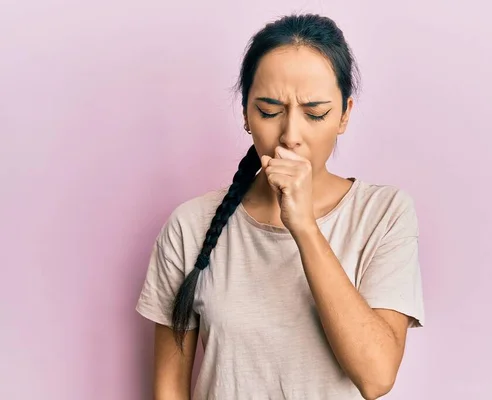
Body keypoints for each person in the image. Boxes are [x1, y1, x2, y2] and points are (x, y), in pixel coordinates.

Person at [136, 13, 425, 400]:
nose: (291, 136)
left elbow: (376, 377)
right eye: (270, 111)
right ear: (245, 114)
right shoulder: (191, 226)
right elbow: (169, 386)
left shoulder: (384, 214)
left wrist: (304, 227)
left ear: (344, 115)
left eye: (315, 113)